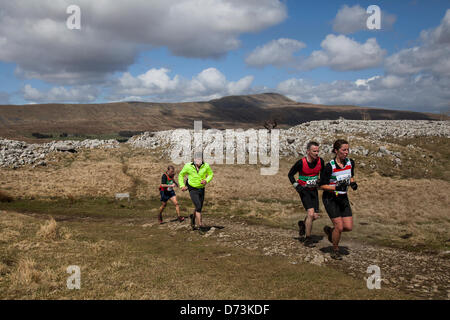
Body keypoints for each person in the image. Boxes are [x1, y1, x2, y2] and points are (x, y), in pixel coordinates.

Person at [319, 139, 358, 260]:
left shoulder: (350, 162)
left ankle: (331, 232)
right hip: (330, 198)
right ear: (336, 151)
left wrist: (353, 183)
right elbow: (321, 186)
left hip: (343, 197)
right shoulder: (329, 166)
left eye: (348, 150)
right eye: (344, 150)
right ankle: (335, 250)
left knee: (348, 227)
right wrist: (336, 187)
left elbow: (350, 175)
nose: (346, 152)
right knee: (339, 227)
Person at [288, 141, 325, 247]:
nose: (317, 153)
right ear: (308, 151)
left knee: (315, 216)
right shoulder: (301, 163)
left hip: (314, 190)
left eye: (318, 151)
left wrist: (320, 182)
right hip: (304, 190)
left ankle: (303, 225)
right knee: (310, 213)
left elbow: (323, 175)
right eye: (314, 151)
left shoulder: (320, 161)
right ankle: (308, 239)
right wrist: (296, 185)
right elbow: (290, 175)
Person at [178, 153, 214, 231]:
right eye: (196, 159)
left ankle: (193, 218)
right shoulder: (188, 166)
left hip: (201, 188)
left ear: (202, 160)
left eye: (199, 159)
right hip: (192, 188)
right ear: (193, 159)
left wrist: (206, 180)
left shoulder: (206, 166)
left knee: (199, 207)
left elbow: (211, 174)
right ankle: (200, 224)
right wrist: (182, 185)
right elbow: (181, 175)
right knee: (198, 206)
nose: (198, 161)